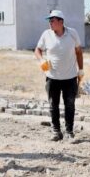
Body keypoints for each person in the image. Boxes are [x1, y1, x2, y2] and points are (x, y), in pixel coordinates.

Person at [34, 10, 84, 141]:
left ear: (61, 21)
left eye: (52, 20)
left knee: (70, 105)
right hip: (52, 77)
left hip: (70, 77)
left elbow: (79, 52)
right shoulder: (46, 34)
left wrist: (81, 70)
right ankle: (56, 131)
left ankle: (69, 132)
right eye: (49, 21)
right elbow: (37, 49)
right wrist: (41, 60)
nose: (50, 23)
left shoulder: (73, 34)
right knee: (53, 105)